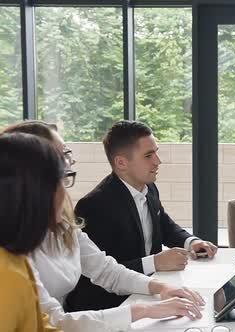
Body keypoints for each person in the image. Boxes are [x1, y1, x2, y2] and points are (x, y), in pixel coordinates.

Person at [4, 121, 206, 332]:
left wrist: (161, 288)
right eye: (61, 161)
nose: (70, 164)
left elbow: (106, 269)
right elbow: (54, 321)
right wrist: (143, 310)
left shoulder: (62, 224)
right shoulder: (12, 258)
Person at [65, 120, 217, 311]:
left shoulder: (149, 188)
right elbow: (100, 273)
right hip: (109, 307)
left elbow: (163, 224)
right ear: (121, 163)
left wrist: (191, 242)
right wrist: (155, 262)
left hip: (148, 293)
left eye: (156, 152)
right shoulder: (94, 206)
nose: (157, 161)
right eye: (148, 155)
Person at [0, 132, 63, 332]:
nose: (64, 192)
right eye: (60, 181)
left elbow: (40, 325)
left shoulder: (16, 259)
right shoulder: (6, 275)